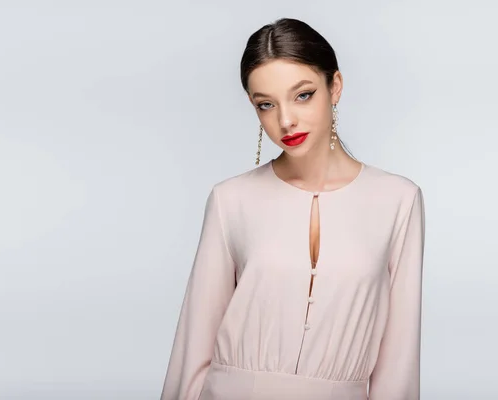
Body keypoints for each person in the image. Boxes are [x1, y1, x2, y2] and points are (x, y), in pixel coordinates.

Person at [161, 17, 426, 400]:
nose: (285, 120)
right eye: (266, 104)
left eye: (303, 95)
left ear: (334, 87)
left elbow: (399, 364)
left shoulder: (398, 200)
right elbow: (192, 348)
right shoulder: (229, 199)